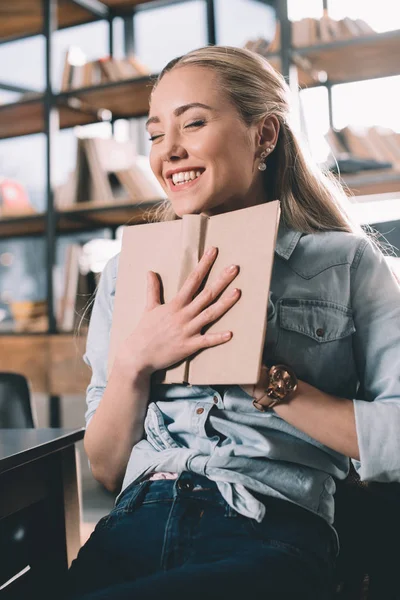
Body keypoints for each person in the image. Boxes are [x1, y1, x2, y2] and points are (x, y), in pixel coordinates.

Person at [65, 45, 400, 600]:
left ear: (264, 135)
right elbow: (105, 467)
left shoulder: (346, 262)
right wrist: (135, 360)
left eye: (193, 123)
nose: (168, 151)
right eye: (154, 135)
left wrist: (263, 379)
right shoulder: (129, 271)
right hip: (134, 521)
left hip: (270, 524)